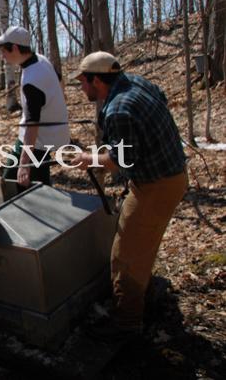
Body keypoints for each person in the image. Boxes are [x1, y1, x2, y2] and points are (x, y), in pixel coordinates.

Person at [70, 51, 188, 342]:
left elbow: (122, 160)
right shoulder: (137, 83)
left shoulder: (118, 110)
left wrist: (87, 158)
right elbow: (160, 100)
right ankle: (140, 295)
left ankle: (127, 323)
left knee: (124, 256)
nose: (82, 88)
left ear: (97, 80)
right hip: (172, 173)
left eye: (83, 82)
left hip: (156, 185)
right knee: (141, 245)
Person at [0, 26, 70, 189]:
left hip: (39, 140)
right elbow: (60, 81)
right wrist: (55, 106)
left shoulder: (32, 81)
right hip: (50, 135)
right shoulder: (40, 59)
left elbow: (32, 124)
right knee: (37, 179)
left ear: (14, 48)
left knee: (13, 180)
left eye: (3, 51)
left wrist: (24, 164)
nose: (2, 56)